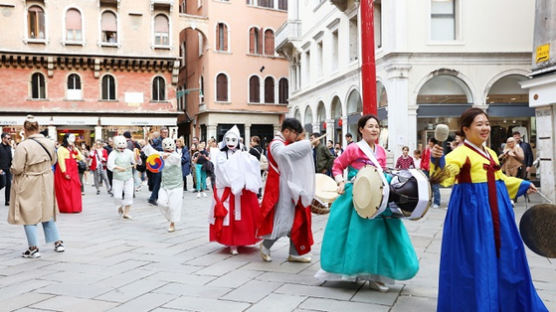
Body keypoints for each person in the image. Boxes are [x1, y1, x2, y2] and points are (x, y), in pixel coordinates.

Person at [429, 108, 546, 311]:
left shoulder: (490, 153)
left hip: (500, 216)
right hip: (474, 218)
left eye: (487, 123)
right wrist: (437, 161)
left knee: (509, 260)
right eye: (479, 124)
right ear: (466, 129)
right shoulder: (460, 153)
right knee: (478, 263)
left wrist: (523, 185)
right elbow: (445, 176)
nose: (485, 128)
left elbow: (499, 181)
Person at [316, 114, 419, 292]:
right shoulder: (353, 148)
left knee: (380, 235)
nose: (374, 129)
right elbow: (337, 165)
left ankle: (377, 275)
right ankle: (357, 270)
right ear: (361, 129)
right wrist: (340, 181)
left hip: (379, 196)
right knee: (359, 236)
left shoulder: (380, 150)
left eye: (377, 126)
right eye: (370, 126)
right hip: (357, 196)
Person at [258, 118, 315, 263]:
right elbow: (283, 155)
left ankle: (294, 253)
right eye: (295, 133)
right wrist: (305, 144)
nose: (296, 137)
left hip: (290, 187)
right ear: (287, 131)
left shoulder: (287, 143)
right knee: (283, 219)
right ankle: (266, 245)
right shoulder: (276, 144)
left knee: (296, 219)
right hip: (280, 188)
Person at [8, 115, 64, 258]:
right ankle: (58, 243)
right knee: (47, 211)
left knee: (28, 212)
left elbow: (17, 168)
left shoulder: (23, 145)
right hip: (46, 179)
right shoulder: (50, 143)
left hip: (29, 181)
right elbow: (53, 160)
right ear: (38, 128)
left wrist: (12, 170)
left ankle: (33, 248)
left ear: (25, 129)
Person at [209, 126, 261, 255]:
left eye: (234, 139)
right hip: (227, 189)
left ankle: (240, 240)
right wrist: (234, 179)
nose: (231, 142)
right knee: (229, 216)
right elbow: (221, 170)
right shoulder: (221, 154)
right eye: (228, 139)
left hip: (242, 191)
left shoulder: (243, 152)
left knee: (243, 217)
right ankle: (231, 242)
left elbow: (251, 166)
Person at [143, 138, 183, 232]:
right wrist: (147, 144)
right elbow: (152, 152)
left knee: (174, 206)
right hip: (165, 185)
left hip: (176, 186)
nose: (168, 150)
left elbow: (176, 159)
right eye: (166, 148)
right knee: (161, 202)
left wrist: (168, 155)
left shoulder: (176, 156)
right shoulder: (161, 154)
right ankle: (170, 218)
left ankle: (172, 223)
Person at [107, 136, 135, 219]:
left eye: (123, 147)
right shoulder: (113, 153)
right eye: (120, 147)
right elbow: (110, 164)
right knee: (117, 196)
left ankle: (126, 213)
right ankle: (119, 206)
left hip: (128, 177)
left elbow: (135, 161)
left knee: (129, 195)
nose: (122, 149)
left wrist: (137, 159)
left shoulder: (129, 152)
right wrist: (118, 168)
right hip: (117, 177)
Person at [54, 133, 83, 213]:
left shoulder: (73, 148)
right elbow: (61, 161)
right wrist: (64, 172)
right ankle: (67, 208)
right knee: (65, 190)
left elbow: (81, 157)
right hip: (65, 171)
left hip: (74, 171)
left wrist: (75, 150)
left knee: (75, 189)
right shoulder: (61, 149)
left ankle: (75, 207)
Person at [148, 128, 168, 206]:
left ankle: (155, 197)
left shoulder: (168, 140)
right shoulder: (157, 141)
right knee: (158, 181)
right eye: (164, 132)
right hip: (158, 164)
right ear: (161, 133)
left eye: (166, 132)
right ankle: (153, 198)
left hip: (166, 164)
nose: (165, 134)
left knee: (160, 181)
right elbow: (152, 150)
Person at [421, 137, 441, 209]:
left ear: (433, 143)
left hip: (433, 170)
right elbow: (423, 158)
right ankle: (429, 201)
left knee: (435, 187)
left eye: (430, 142)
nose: (429, 143)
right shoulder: (426, 149)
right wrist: (422, 166)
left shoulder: (436, 150)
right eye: (428, 141)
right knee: (427, 187)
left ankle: (437, 202)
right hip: (425, 169)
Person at [0, 132, 13, 206]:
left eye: (10, 138)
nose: (9, 139)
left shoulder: (9, 147)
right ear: (3, 139)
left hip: (8, 169)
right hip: (2, 169)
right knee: (3, 183)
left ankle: (7, 201)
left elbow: (10, 158)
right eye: (8, 138)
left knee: (9, 184)